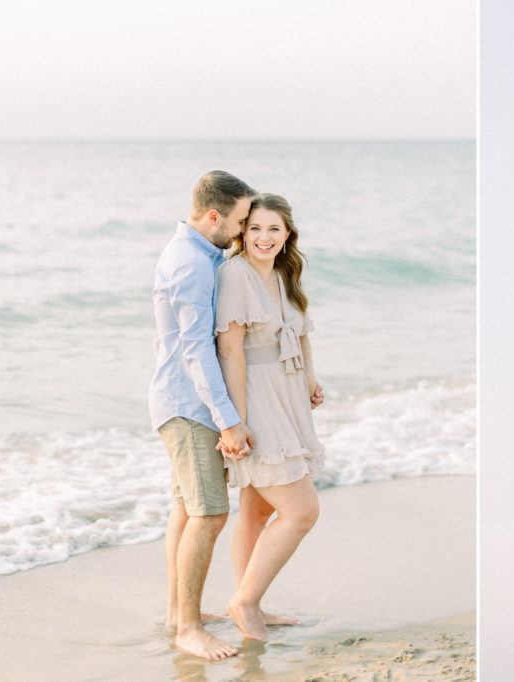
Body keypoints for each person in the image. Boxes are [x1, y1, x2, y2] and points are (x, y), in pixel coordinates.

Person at [148, 170, 256, 660]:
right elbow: (196, 350)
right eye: (237, 222)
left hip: (177, 401)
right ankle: (188, 627)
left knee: (186, 510)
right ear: (213, 216)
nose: (241, 233)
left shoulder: (195, 254)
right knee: (210, 513)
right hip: (190, 406)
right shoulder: (191, 262)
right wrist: (228, 418)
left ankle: (178, 612)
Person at [214, 192, 326, 641]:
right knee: (301, 511)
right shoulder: (234, 275)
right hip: (256, 401)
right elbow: (230, 350)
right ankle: (243, 602)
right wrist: (235, 420)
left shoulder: (285, 274)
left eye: (273, 229)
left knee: (256, 512)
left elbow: (301, 337)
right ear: (242, 233)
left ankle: (250, 603)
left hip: (289, 396)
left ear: (287, 234)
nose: (263, 237)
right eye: (254, 228)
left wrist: (311, 382)